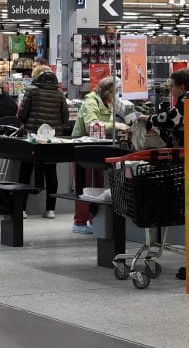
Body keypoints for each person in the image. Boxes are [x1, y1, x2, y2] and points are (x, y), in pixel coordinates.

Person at [70, 77, 127, 234]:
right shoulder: (91, 101)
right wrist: (115, 125)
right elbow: (91, 124)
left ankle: (94, 220)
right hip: (82, 147)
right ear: (108, 92)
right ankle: (80, 222)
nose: (117, 95)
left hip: (98, 146)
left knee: (98, 183)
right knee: (84, 184)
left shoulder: (107, 103)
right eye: (116, 91)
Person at [16, 64, 70, 219]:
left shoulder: (31, 90)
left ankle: (22, 209)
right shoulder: (59, 93)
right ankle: (50, 210)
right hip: (52, 138)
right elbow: (65, 118)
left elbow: (22, 115)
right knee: (51, 171)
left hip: (33, 137)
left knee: (26, 170)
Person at [144, 68, 189, 148]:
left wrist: (148, 118)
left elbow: (171, 119)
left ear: (182, 88)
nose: (170, 89)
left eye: (172, 86)